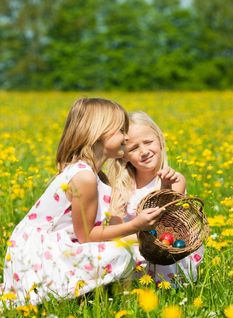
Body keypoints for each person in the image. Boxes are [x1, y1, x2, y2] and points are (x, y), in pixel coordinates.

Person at [2, 99, 165, 306]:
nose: (126, 136)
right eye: (120, 130)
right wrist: (135, 225)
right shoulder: (84, 177)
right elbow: (86, 235)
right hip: (38, 255)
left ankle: (92, 296)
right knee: (123, 253)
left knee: (131, 248)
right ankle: (82, 298)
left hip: (55, 247)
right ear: (98, 133)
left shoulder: (94, 174)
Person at [108, 111, 204, 285]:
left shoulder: (175, 179)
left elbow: (165, 224)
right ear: (124, 155)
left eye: (148, 142)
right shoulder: (120, 186)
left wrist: (165, 187)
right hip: (133, 248)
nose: (144, 151)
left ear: (160, 140)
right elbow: (115, 231)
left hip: (164, 253)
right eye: (134, 148)